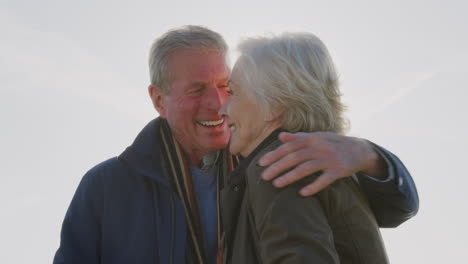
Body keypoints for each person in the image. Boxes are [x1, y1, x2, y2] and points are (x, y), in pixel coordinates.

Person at [53, 25, 418, 264]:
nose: (217, 103)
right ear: (158, 99)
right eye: (197, 89)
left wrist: (369, 156)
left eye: (228, 87)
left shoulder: (284, 158)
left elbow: (396, 209)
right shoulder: (104, 188)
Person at [219, 32, 392, 263]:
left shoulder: (281, 164)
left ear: (275, 105)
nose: (222, 109)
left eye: (233, 92)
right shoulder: (323, 163)